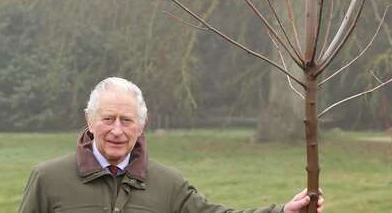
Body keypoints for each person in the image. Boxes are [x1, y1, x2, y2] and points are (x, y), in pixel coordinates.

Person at [19, 77, 324, 213]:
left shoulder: (168, 184)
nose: (116, 130)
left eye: (126, 121)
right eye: (107, 118)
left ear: (142, 125)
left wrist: (283, 212)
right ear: (89, 120)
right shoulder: (48, 179)